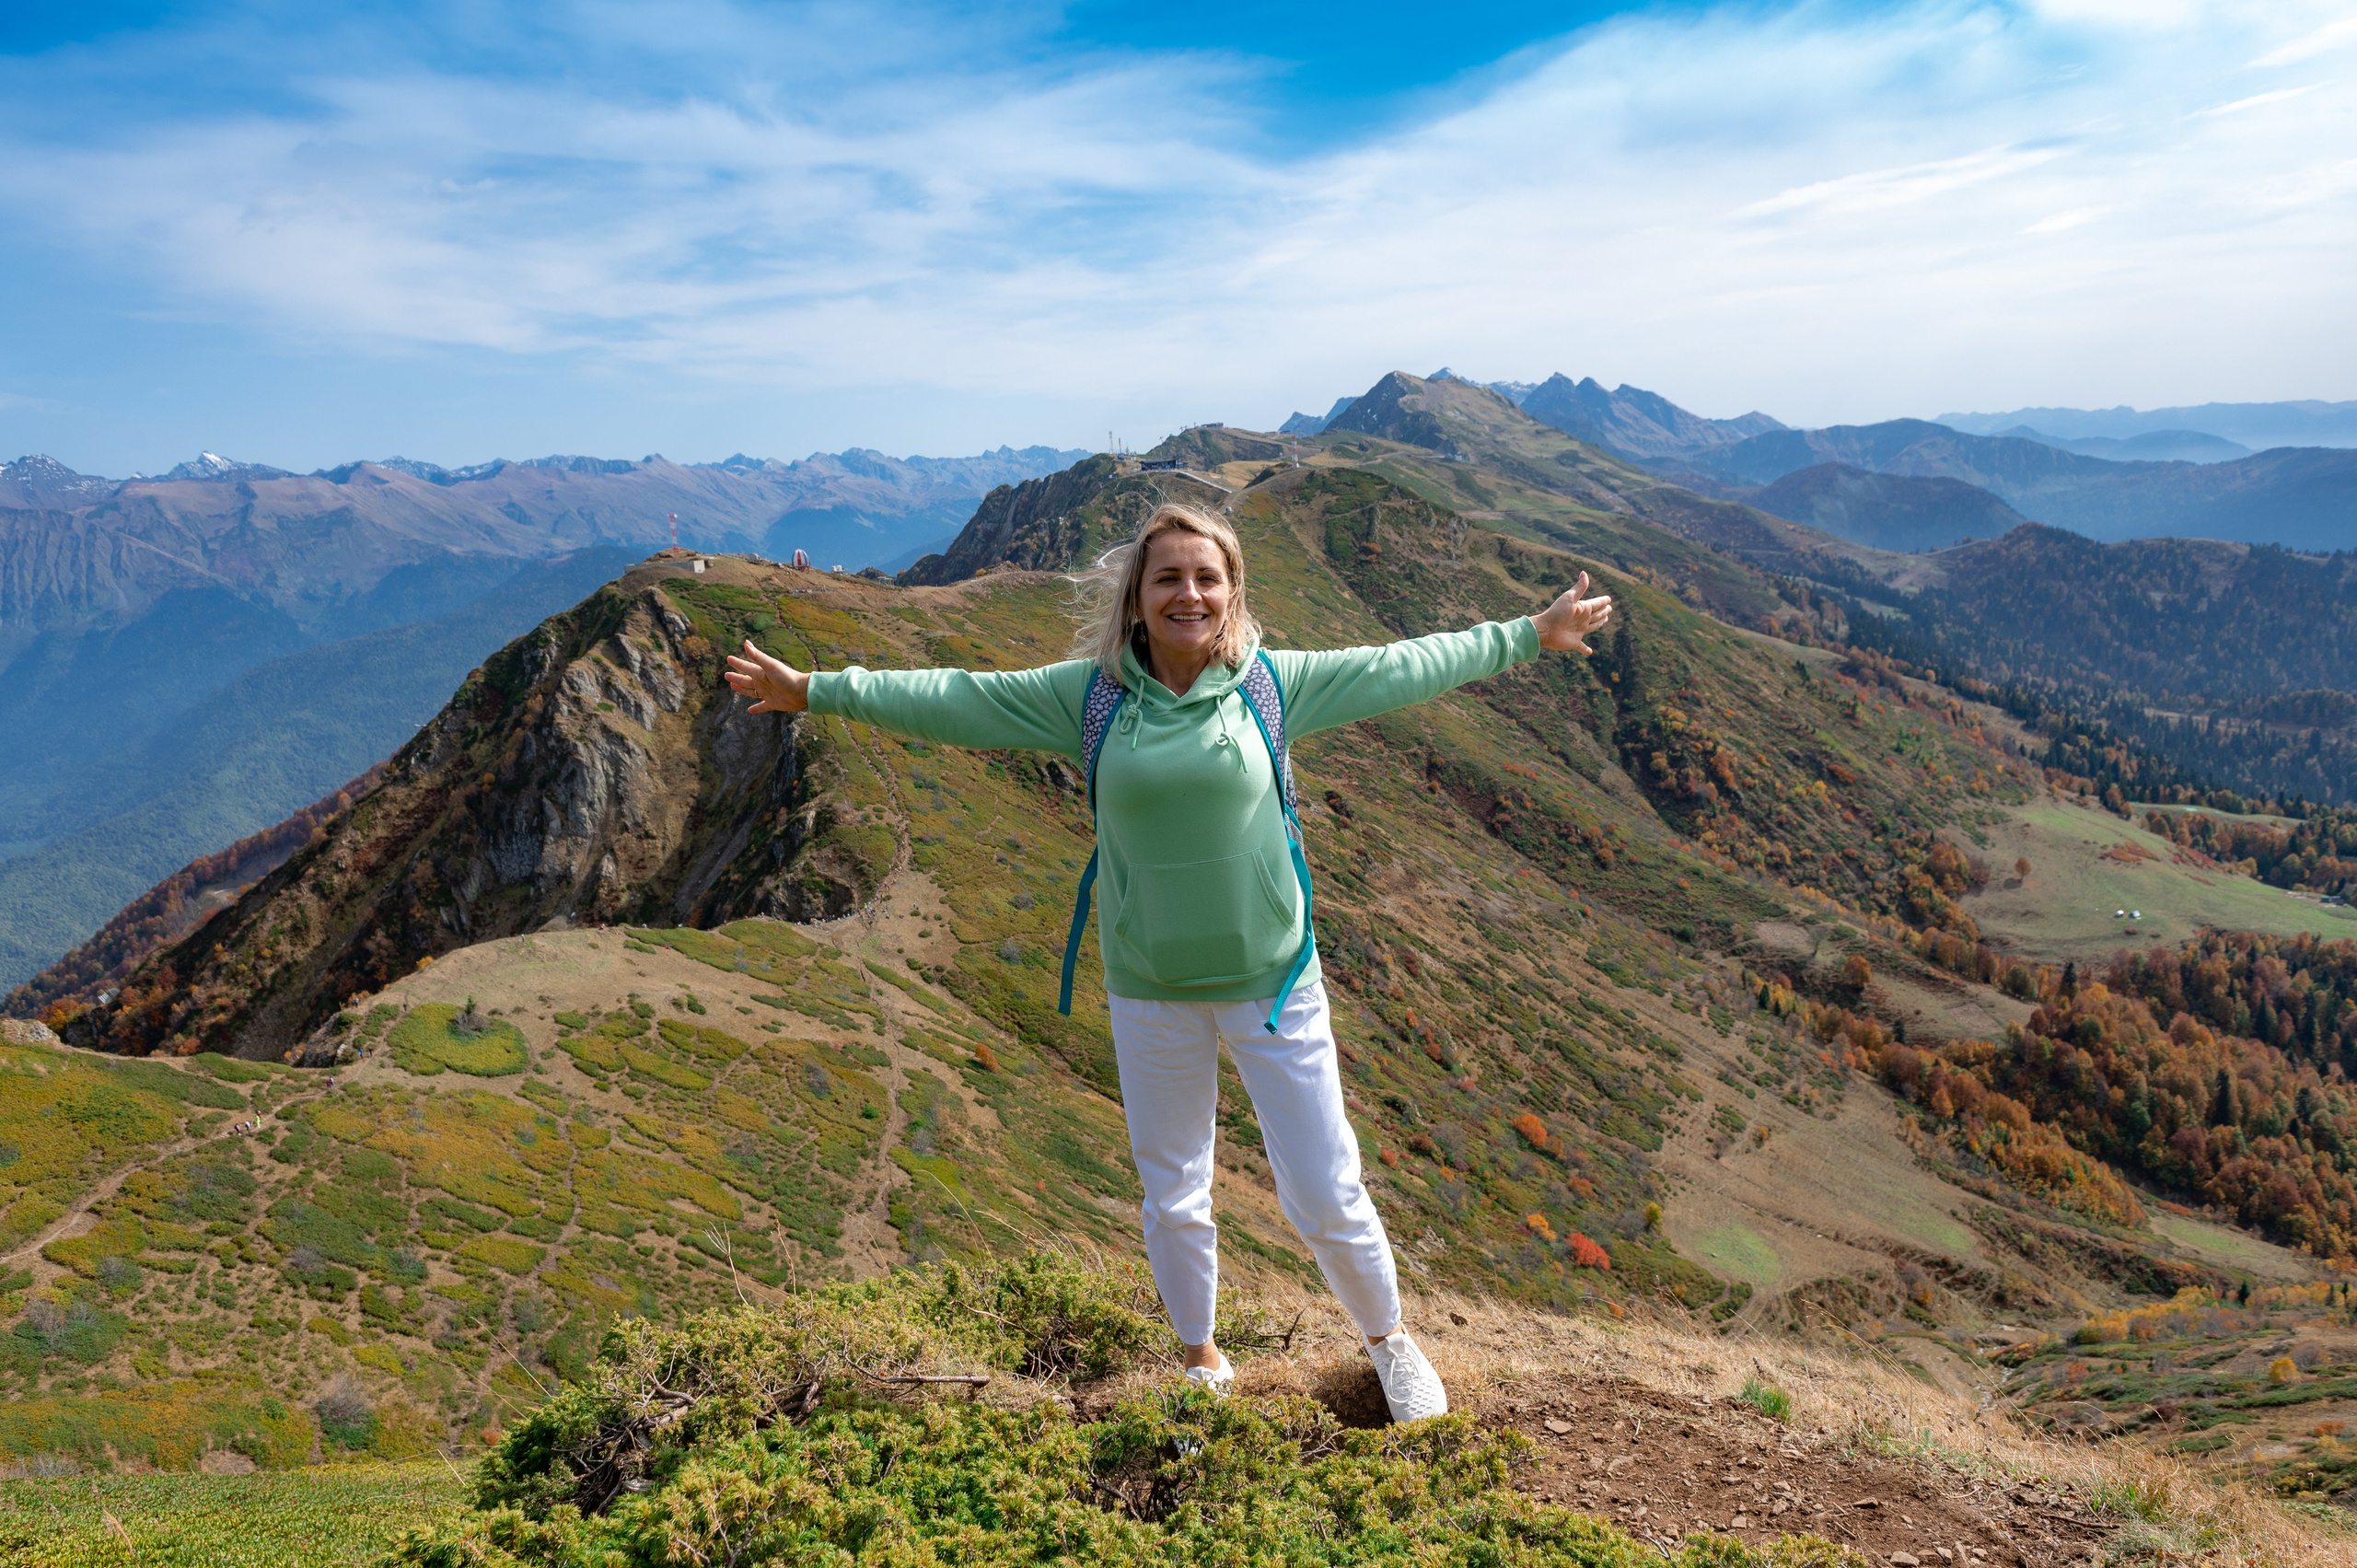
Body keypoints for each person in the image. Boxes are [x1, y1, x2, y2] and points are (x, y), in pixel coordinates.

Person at [725, 502, 1612, 1422]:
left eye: (1206, 577)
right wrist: (817, 689)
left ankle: (1390, 1345)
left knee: (1323, 1184)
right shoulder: (1089, 697)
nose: (1188, 592)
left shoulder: (1274, 684)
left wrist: (1529, 634)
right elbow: (957, 696)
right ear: (1137, 600)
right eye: (1168, 578)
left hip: (1274, 984)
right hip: (1150, 990)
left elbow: (1404, 665)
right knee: (1174, 1190)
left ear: (1232, 593)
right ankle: (1200, 1358)